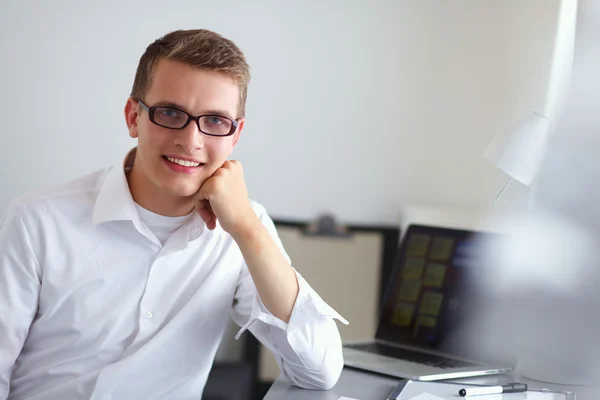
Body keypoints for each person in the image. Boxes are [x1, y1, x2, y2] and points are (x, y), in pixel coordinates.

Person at [0, 29, 347, 400]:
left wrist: (246, 228)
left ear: (235, 135)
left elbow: (318, 370)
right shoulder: (36, 221)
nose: (191, 140)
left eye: (215, 121)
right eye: (170, 113)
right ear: (134, 116)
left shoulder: (244, 228)